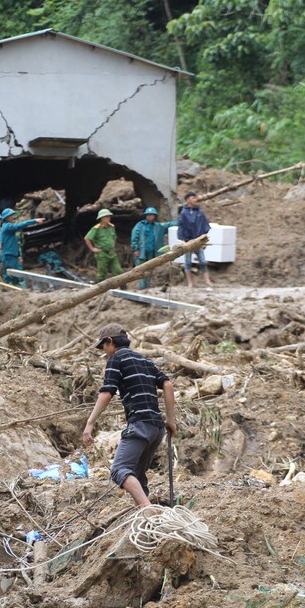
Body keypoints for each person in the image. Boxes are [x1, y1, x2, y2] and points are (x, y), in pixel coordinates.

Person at [81, 324, 177, 508]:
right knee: (137, 473)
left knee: (119, 470)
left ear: (110, 342)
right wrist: (170, 420)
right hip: (156, 428)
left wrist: (90, 422)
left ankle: (147, 510)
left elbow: (107, 393)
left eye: (104, 347)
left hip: (139, 425)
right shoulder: (145, 361)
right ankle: (145, 517)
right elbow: (168, 385)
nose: (105, 352)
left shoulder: (116, 359)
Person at [130, 207, 177, 290]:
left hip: (152, 252)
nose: (150, 217)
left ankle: (146, 288)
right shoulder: (140, 225)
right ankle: (141, 288)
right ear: (146, 216)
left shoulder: (158, 226)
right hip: (142, 252)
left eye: (152, 215)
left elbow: (169, 225)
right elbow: (134, 237)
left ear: (154, 216)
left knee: (149, 270)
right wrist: (135, 248)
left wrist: (182, 222)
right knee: (140, 270)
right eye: (148, 215)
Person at [0, 208, 44, 286]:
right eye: (11, 215)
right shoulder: (7, 227)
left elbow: (15, 243)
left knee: (15, 274)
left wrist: (18, 255)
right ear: (6, 217)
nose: (13, 217)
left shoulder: (9, 229)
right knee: (10, 274)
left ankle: (15, 290)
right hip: (9, 255)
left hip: (12, 254)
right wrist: (34, 221)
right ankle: (7, 291)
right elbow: (19, 226)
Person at [178, 191, 213, 288]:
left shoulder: (199, 212)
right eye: (193, 198)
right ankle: (190, 283)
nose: (195, 200)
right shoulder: (184, 213)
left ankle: (207, 281)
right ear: (188, 200)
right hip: (188, 241)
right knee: (188, 262)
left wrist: (203, 238)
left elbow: (204, 225)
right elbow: (181, 226)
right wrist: (184, 240)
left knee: (202, 261)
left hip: (198, 240)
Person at [84, 208, 122, 282]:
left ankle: (123, 288)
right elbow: (87, 238)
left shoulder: (111, 227)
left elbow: (114, 238)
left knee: (118, 271)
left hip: (111, 253)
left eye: (109, 216)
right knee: (102, 272)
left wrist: (112, 246)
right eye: (106, 216)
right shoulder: (96, 228)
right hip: (102, 253)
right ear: (101, 218)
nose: (108, 218)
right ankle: (99, 289)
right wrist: (92, 248)